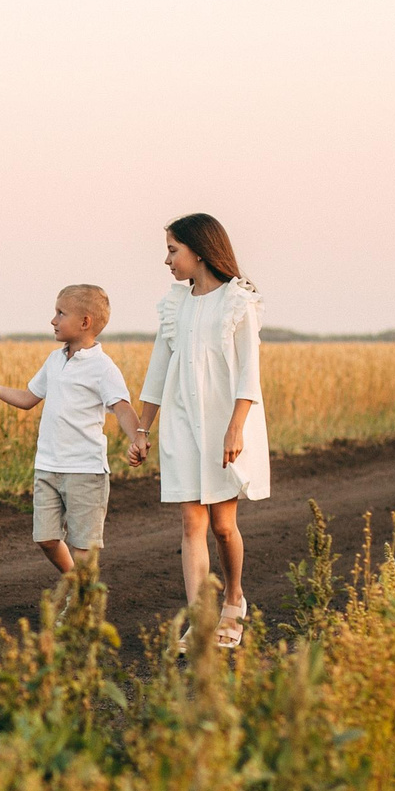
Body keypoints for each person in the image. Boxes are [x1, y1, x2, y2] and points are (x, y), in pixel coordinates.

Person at [135, 213, 270, 648]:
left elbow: (249, 372)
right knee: (192, 521)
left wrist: (236, 429)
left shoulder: (238, 300)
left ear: (199, 250)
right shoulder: (176, 304)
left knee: (223, 525)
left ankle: (233, 599)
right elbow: (158, 371)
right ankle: (201, 620)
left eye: (173, 250)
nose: (167, 259)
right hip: (180, 420)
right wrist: (142, 428)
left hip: (223, 423)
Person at [0, 284, 145, 573]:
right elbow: (27, 398)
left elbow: (122, 407)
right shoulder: (54, 360)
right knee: (46, 538)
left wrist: (138, 438)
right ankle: (77, 585)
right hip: (48, 467)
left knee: (84, 546)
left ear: (85, 322)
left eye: (61, 313)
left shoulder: (103, 367)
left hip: (86, 471)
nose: (53, 320)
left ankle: (81, 607)